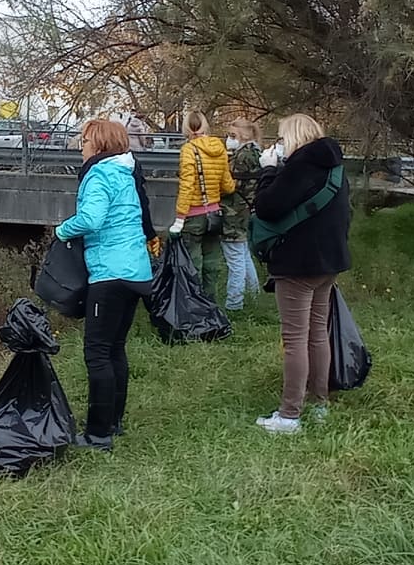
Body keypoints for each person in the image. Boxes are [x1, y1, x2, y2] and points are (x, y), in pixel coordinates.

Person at [54, 118, 154, 451]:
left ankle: (98, 435)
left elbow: (92, 219)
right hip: (136, 273)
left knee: (97, 353)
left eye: (83, 141)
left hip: (109, 273)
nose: (81, 147)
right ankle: (114, 421)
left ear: (97, 144)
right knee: (115, 349)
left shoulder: (99, 174)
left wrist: (62, 230)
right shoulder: (126, 173)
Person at [252, 114, 351, 434]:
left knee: (295, 339)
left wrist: (267, 171)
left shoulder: (300, 165)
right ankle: (319, 403)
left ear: (292, 137)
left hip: (297, 264)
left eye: (281, 138)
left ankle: (289, 415)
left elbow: (267, 206)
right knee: (317, 333)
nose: (280, 145)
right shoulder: (334, 166)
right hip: (329, 262)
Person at [168, 110, 235, 299]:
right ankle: (211, 303)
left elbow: (187, 186)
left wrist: (180, 217)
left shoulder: (189, 149)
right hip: (214, 214)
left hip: (194, 216)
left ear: (186, 128)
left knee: (193, 262)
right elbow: (228, 186)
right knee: (212, 263)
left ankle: (193, 304)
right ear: (205, 126)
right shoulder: (219, 147)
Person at [221, 118, 263, 311]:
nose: (229, 140)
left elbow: (228, 183)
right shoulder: (257, 152)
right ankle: (254, 297)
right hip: (246, 211)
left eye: (232, 135)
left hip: (233, 213)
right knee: (244, 256)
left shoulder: (241, 157)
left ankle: (234, 304)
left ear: (242, 135)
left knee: (235, 261)